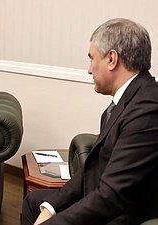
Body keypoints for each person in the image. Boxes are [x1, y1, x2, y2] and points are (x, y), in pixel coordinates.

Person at [22, 18, 158, 225]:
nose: (89, 69)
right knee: (35, 202)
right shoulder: (123, 101)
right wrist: (52, 206)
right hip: (102, 196)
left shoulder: (148, 109)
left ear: (112, 59)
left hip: (122, 213)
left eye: (91, 58)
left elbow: (112, 196)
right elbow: (91, 168)